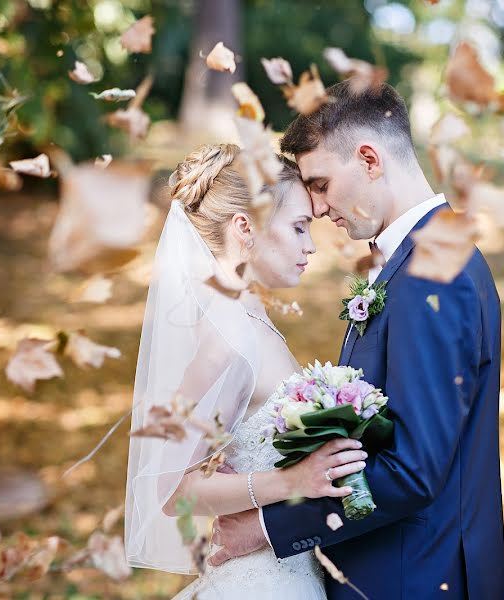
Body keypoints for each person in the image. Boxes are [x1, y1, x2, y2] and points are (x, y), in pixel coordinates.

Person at [208, 81, 504, 599]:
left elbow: (413, 472)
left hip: (411, 577)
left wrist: (265, 528)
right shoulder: (414, 260)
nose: (318, 208)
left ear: (369, 159)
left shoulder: (434, 274)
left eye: (321, 184)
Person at [124, 143, 366, 600]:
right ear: (245, 227)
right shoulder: (222, 342)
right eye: (298, 227)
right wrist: (291, 482)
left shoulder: (250, 318)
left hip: (291, 571)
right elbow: (173, 489)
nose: (310, 246)